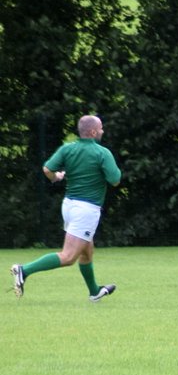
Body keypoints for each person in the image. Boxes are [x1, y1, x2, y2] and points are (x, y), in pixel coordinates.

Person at [11, 114, 122, 302]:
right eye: (101, 128)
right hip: (86, 209)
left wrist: (56, 177)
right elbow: (115, 180)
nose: (103, 131)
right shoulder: (102, 153)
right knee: (69, 256)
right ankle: (24, 270)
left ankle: (94, 292)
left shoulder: (67, 148)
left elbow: (47, 169)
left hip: (69, 205)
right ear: (93, 132)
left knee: (87, 251)